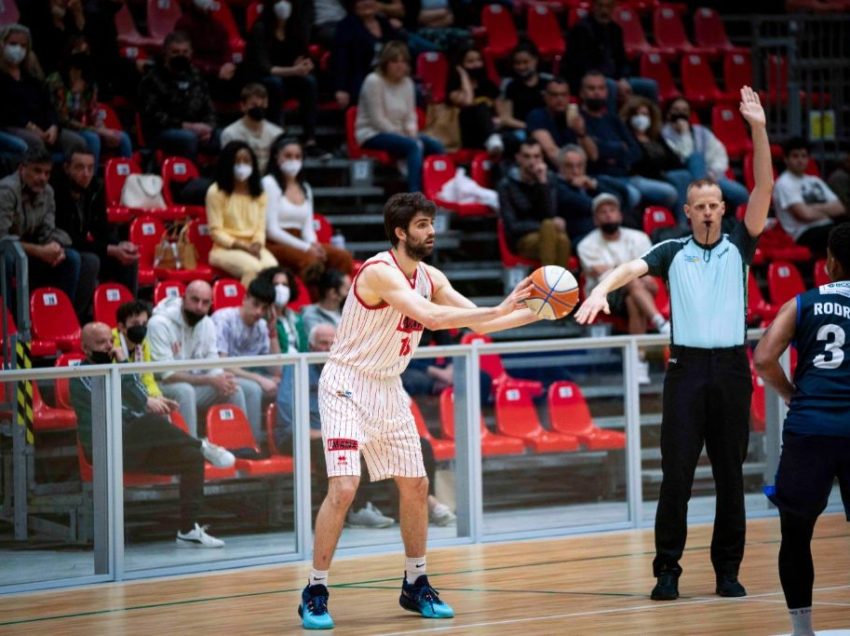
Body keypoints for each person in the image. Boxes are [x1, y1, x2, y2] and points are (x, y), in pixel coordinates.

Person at [297, 191, 541, 629]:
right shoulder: (378, 272)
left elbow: (478, 320)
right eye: (423, 225)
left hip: (388, 386)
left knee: (416, 484)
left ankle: (415, 583)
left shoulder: (430, 275)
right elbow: (428, 317)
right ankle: (315, 589)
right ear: (400, 232)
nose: (431, 232)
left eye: (432, 223)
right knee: (345, 488)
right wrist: (501, 306)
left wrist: (535, 313)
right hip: (346, 383)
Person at [575, 87, 772, 601]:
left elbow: (765, 189)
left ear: (722, 210)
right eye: (699, 206)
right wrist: (599, 289)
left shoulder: (740, 246)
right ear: (686, 211)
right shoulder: (671, 251)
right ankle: (668, 571)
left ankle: (727, 571)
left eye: (714, 205)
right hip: (685, 372)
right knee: (676, 477)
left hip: (731, 370)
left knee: (731, 478)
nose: (708, 212)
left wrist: (758, 129)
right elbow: (628, 267)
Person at [753, 222, 850, 636]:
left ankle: (802, 629)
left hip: (810, 427)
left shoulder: (803, 302)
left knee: (796, 533)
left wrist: (792, 394)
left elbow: (762, 359)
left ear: (829, 261)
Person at [70, 322, 235, 547]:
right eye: (101, 343)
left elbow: (139, 391)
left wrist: (126, 368)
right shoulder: (80, 377)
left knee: (191, 458)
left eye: (111, 340)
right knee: (148, 421)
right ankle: (202, 445)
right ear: (86, 348)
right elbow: (112, 406)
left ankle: (188, 530)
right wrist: (144, 403)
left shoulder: (118, 368)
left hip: (133, 445)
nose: (109, 346)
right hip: (105, 448)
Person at [276, 323, 396, 529]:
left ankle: (361, 509)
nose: (329, 348)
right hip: (298, 435)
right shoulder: (296, 368)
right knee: (330, 448)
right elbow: (288, 413)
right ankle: (334, 515)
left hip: (335, 433)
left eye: (333, 343)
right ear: (311, 346)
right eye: (323, 343)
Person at [576, 193, 669, 383]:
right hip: (605, 296)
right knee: (631, 284)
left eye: (612, 210)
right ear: (595, 219)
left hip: (643, 288)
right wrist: (629, 271)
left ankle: (640, 362)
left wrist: (626, 271)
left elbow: (648, 270)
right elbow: (608, 277)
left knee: (633, 292)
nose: (608, 215)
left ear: (620, 214)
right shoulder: (586, 244)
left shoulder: (639, 237)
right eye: (603, 212)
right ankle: (660, 327)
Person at [148, 280, 250, 438]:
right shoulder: (159, 324)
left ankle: (241, 447)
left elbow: (213, 364)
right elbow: (166, 376)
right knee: (184, 390)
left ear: (211, 304)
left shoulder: (207, 323)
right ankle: (190, 449)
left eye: (205, 303)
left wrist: (221, 378)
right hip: (160, 388)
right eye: (195, 300)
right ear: (183, 298)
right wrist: (209, 380)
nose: (199, 307)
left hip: (193, 383)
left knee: (233, 389)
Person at [0, 146, 84, 316]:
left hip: (30, 250)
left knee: (71, 258)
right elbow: (3, 240)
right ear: (22, 168)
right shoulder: (6, 191)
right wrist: (39, 251)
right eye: (37, 171)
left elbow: (47, 231)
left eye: (47, 173)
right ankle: (7, 323)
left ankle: (60, 318)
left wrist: (55, 248)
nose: (43, 178)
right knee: (6, 259)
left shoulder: (48, 192)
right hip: (7, 251)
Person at [355, 40, 444, 193]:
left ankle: (439, 189)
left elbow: (410, 115)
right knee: (413, 146)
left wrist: (412, 132)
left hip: (401, 133)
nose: (400, 66)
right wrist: (406, 137)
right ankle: (415, 193)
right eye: (394, 61)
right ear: (385, 63)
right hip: (373, 133)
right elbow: (377, 120)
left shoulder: (407, 83)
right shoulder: (373, 81)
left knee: (436, 145)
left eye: (403, 62)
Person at [262, 137, 353, 282]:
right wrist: (306, 248)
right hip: (274, 243)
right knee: (311, 261)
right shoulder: (269, 183)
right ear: (276, 157)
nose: (293, 161)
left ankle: (338, 298)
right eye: (288, 156)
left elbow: (307, 227)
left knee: (343, 257)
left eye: (298, 157)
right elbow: (272, 230)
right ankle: (313, 301)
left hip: (301, 242)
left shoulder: (305, 187)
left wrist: (315, 245)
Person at [52, 149, 139, 299]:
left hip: (83, 246)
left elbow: (102, 232)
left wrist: (120, 246)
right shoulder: (56, 192)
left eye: (90, 168)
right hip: (61, 247)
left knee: (128, 258)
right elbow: (70, 238)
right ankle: (78, 316)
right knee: (90, 261)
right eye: (79, 167)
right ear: (67, 168)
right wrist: (110, 249)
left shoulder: (95, 188)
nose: (86, 174)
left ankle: (130, 311)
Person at [0, 23, 88, 157]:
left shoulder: (32, 78)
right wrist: (32, 128)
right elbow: (7, 111)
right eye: (13, 44)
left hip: (44, 127)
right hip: (12, 126)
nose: (18, 49)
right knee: (36, 143)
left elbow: (48, 106)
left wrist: (53, 126)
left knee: (77, 142)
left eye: (23, 46)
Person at [244, 0, 320, 150]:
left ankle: (310, 138)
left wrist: (306, 65)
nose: (284, 5)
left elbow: (304, 57)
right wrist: (294, 70)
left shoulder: (295, 27)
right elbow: (265, 68)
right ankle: (277, 134)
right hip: (262, 80)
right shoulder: (261, 28)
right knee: (275, 83)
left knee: (309, 82)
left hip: (288, 77)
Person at [211, 277, 279, 443]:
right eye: (255, 304)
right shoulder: (223, 318)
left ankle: (286, 442)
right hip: (223, 376)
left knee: (290, 385)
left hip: (247, 376)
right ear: (245, 298)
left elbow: (277, 370)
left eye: (264, 308)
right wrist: (259, 379)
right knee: (253, 389)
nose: (259, 312)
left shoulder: (262, 327)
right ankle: (252, 444)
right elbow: (222, 365)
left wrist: (272, 331)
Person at [45, 42, 133, 168]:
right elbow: (62, 119)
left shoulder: (89, 80)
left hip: (85, 127)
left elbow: (94, 111)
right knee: (93, 139)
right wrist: (99, 131)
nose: (83, 56)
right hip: (62, 128)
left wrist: (104, 129)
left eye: (86, 52)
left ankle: (128, 180)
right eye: (78, 51)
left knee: (122, 137)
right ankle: (92, 182)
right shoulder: (56, 80)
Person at [661, 97, 751, 221]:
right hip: (683, 175)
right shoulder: (663, 134)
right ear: (668, 112)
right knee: (696, 158)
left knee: (741, 194)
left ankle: (725, 222)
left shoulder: (701, 132)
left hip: (708, 176)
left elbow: (719, 154)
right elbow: (684, 156)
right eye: (676, 109)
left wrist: (712, 173)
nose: (680, 113)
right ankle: (702, 201)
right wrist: (684, 134)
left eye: (684, 110)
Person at [559, 0, 658, 111]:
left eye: (608, 7)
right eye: (601, 6)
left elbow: (622, 61)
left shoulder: (616, 30)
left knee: (650, 86)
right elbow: (583, 66)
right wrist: (616, 82)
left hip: (614, 79)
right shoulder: (581, 29)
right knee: (609, 86)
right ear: (594, 7)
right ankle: (610, 124)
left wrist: (623, 79)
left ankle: (654, 125)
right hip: (585, 79)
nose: (604, 11)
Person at [206, 140, 278, 287]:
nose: (242, 165)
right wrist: (243, 247)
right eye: (237, 161)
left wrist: (257, 244)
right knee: (252, 269)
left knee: (273, 269)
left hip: (254, 247)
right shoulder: (216, 191)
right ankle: (248, 307)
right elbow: (216, 232)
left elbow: (260, 226)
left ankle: (268, 308)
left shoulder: (259, 194)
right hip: (224, 249)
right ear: (228, 164)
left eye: (246, 161)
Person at [138, 31, 218, 161]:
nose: (181, 56)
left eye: (185, 52)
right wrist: (185, 126)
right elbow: (154, 116)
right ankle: (191, 179)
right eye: (175, 52)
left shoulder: (196, 76)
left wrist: (208, 128)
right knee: (188, 138)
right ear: (165, 53)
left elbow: (209, 109)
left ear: (191, 53)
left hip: (197, 130)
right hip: (162, 132)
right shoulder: (152, 78)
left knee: (224, 135)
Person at [497, 139, 570, 267]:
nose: (532, 161)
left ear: (542, 158)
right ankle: (552, 284)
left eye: (536, 156)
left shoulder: (548, 179)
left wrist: (542, 183)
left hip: (548, 235)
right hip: (522, 240)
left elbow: (549, 213)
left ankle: (554, 285)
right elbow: (513, 226)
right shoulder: (506, 185)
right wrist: (545, 226)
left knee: (563, 240)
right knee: (550, 227)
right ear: (518, 158)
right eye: (527, 156)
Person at [774, 136, 847, 255]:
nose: (800, 160)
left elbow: (840, 208)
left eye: (804, 156)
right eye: (795, 156)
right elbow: (804, 214)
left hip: (828, 227)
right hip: (804, 233)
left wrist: (812, 208)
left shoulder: (815, 181)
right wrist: (827, 211)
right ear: (786, 159)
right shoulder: (784, 183)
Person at [620, 96, 691, 215]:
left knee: (683, 176)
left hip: (659, 175)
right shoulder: (626, 136)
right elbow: (637, 164)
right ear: (629, 116)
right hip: (637, 178)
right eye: (636, 114)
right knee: (670, 192)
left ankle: (682, 222)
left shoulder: (655, 136)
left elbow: (674, 160)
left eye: (645, 114)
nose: (641, 118)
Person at [556, 143, 628, 245]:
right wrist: (607, 207)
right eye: (569, 166)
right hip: (582, 237)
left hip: (606, 232)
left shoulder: (589, 183)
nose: (575, 171)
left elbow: (616, 200)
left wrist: (595, 186)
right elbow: (588, 205)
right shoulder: (558, 187)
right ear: (560, 167)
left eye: (579, 165)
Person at [526, 77, 597, 169]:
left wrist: (582, 134)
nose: (559, 99)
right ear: (545, 97)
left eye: (564, 95)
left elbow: (594, 156)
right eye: (554, 95)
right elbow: (551, 152)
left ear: (569, 97)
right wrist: (575, 171)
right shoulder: (537, 116)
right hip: (552, 172)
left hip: (582, 171)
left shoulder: (577, 116)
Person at [174, 0, 238, 102]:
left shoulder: (217, 25)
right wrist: (215, 70)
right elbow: (185, 57)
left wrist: (228, 64)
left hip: (220, 70)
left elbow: (226, 48)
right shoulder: (183, 24)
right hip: (201, 71)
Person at [446, 44, 501, 152]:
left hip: (492, 129)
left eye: (478, 60)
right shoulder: (454, 87)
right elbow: (468, 101)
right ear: (461, 64)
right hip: (467, 132)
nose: (476, 65)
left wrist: (498, 120)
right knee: (481, 106)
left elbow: (500, 114)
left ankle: (493, 140)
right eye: (470, 62)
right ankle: (492, 139)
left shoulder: (488, 84)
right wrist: (464, 76)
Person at [220, 83, 284, 173]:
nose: (259, 108)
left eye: (263, 105)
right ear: (243, 106)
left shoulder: (277, 133)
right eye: (254, 105)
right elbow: (228, 166)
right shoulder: (230, 134)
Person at [497, 41, 553, 143]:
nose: (521, 67)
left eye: (526, 62)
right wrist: (532, 127)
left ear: (535, 60)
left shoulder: (549, 82)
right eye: (517, 63)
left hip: (548, 131)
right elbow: (505, 118)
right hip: (521, 130)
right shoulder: (509, 85)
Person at [112, 300, 163, 401]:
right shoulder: (110, 343)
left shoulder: (144, 344)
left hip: (138, 395)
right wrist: (145, 400)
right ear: (121, 327)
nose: (141, 327)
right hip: (118, 397)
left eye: (144, 323)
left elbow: (147, 378)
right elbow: (117, 382)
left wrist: (157, 396)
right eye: (135, 323)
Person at [256, 265, 308, 354]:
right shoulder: (261, 319)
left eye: (285, 285)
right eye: (275, 284)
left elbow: (304, 348)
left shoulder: (296, 318)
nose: (281, 289)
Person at [300, 268, 352, 335]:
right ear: (333, 293)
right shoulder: (310, 316)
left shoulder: (347, 313)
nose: (351, 295)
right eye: (348, 290)